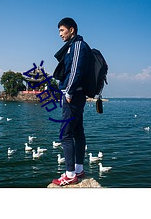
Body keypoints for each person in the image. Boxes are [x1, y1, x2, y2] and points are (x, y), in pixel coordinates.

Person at [52, 17, 90, 186]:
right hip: (77, 95)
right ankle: (79, 169)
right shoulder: (74, 46)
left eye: (62, 30)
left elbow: (75, 71)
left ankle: (69, 174)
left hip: (73, 96)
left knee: (65, 133)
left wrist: (68, 93)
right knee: (77, 132)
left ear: (72, 30)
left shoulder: (77, 45)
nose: (60, 34)